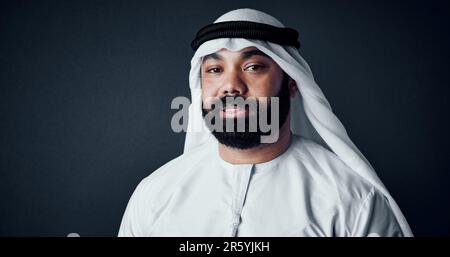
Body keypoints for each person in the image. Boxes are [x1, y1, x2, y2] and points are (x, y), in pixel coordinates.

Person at [118, 8, 413, 237]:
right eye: (215, 69)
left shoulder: (353, 199)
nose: (230, 86)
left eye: (254, 67)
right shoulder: (154, 194)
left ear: (291, 83)